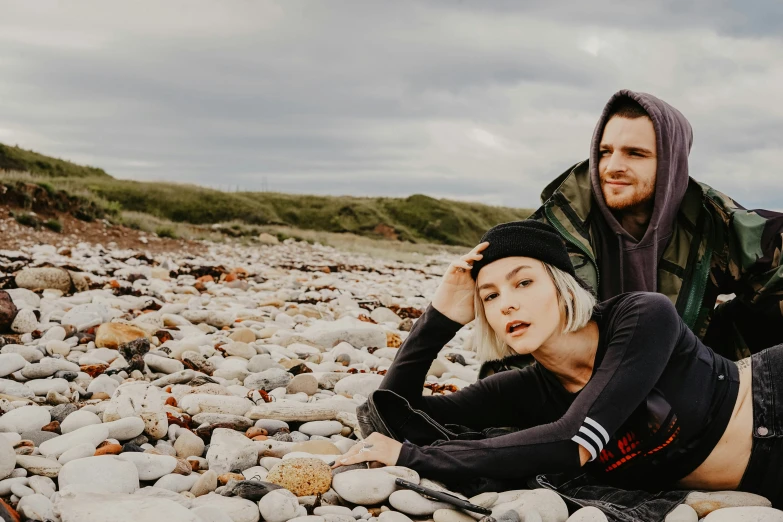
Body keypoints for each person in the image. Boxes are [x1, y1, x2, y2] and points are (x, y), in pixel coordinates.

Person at [332, 220, 783, 519]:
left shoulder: (643, 317)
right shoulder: (526, 391)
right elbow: (395, 419)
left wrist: (414, 459)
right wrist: (437, 321)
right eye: (489, 296)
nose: (506, 301)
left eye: (524, 282)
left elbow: (574, 442)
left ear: (563, 287)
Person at [519, 89, 783, 367]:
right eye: (604, 152)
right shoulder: (557, 226)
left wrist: (714, 361)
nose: (612, 166)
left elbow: (770, 245)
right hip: (574, 383)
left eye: (635, 154)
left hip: (676, 379)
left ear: (672, 163)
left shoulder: (709, 219)